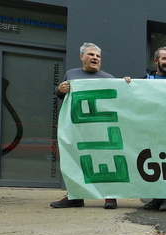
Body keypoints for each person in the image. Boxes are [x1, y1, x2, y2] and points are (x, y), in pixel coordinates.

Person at [50, 43, 118, 210]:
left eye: (98, 56)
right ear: (82, 57)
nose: (95, 58)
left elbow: (120, 100)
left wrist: (128, 84)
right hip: (79, 128)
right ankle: (75, 196)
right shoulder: (71, 74)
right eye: (91, 54)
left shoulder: (110, 79)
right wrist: (60, 89)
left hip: (102, 127)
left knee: (107, 158)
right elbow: (61, 96)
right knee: (75, 159)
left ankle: (110, 197)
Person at [129, 46, 166, 212]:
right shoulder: (145, 79)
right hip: (150, 130)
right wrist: (126, 83)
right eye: (165, 59)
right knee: (155, 163)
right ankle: (157, 197)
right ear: (156, 61)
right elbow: (131, 93)